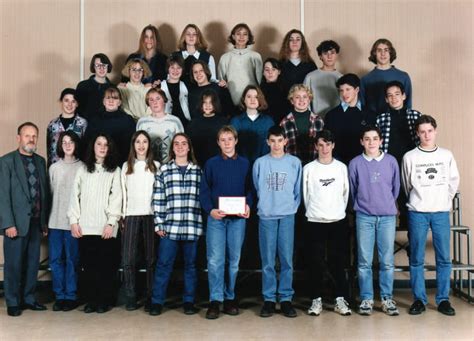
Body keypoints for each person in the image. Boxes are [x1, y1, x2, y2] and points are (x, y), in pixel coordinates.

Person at [402, 115, 460, 316]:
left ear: (435, 131)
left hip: (440, 212)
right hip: (417, 212)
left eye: (429, 131)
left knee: (444, 258)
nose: (426, 135)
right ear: (417, 134)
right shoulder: (410, 157)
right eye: (422, 131)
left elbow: (453, 182)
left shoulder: (446, 155)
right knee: (416, 257)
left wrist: (443, 200)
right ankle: (419, 299)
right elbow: (406, 184)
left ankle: (443, 299)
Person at [200, 126, 252, 319]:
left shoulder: (245, 163)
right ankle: (215, 299)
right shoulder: (211, 164)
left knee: (234, 260)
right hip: (217, 218)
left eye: (230, 139)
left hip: (237, 219)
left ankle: (230, 297)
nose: (227, 143)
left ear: (236, 141)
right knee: (215, 260)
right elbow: (204, 190)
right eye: (223, 140)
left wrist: (248, 205)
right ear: (218, 142)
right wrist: (210, 210)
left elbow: (250, 189)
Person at [68, 133, 122, 314]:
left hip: (105, 227)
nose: (102, 147)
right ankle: (91, 300)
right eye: (99, 144)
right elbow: (74, 196)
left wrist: (111, 222)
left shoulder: (115, 170)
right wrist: (74, 221)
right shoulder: (83, 169)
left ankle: (104, 300)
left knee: (106, 266)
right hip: (85, 226)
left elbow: (117, 198)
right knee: (88, 266)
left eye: (106, 145)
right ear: (93, 146)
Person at [349, 126, 400, 316]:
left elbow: (395, 189)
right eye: (367, 139)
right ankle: (367, 299)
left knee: (387, 260)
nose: (371, 142)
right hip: (364, 216)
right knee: (364, 261)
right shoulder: (355, 163)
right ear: (362, 142)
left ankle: (387, 298)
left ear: (381, 141)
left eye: (375, 138)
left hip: (387, 216)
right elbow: (353, 190)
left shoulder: (391, 161)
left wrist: (385, 204)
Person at [150, 133, 203, 316]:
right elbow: (158, 199)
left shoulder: (198, 171)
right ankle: (157, 301)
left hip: (192, 225)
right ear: (172, 148)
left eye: (184, 144)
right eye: (176, 144)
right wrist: (159, 224)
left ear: (189, 147)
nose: (180, 147)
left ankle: (188, 301)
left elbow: (203, 199)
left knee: (191, 266)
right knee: (163, 264)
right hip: (169, 228)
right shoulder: (164, 170)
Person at [0, 122, 50, 317]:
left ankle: (28, 298)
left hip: (36, 223)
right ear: (18, 138)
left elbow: (44, 193)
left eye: (34, 136)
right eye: (27, 135)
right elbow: (2, 196)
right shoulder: (6, 162)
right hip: (16, 224)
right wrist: (8, 224)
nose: (31, 139)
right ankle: (13, 301)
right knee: (13, 264)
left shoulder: (40, 161)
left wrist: (44, 221)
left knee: (32, 264)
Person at [253, 126, 302, 318]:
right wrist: (266, 204)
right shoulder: (260, 163)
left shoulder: (294, 163)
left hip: (287, 214)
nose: (276, 144)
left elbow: (298, 190)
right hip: (266, 215)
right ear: (267, 142)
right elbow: (257, 187)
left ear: (285, 141)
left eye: (279, 140)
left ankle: (286, 298)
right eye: (272, 141)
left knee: (286, 259)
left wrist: (291, 207)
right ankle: (269, 299)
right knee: (267, 260)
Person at [303, 130, 352, 317]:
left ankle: (340, 298)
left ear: (333, 146)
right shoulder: (308, 169)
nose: (324, 148)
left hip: (337, 220)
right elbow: (306, 196)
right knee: (315, 262)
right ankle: (316, 299)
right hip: (315, 220)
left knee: (338, 261)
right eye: (320, 145)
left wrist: (336, 211)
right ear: (316, 146)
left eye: (328, 144)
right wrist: (315, 212)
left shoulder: (341, 168)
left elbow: (345, 193)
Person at [121, 130, 159, 311]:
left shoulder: (156, 166)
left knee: (151, 258)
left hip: (150, 215)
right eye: (138, 142)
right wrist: (122, 216)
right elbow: (122, 193)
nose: (141, 145)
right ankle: (130, 294)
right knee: (128, 258)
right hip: (131, 215)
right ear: (133, 145)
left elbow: (159, 194)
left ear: (149, 145)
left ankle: (151, 296)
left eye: (145, 142)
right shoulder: (126, 167)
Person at [48, 131, 83, 312]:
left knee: (72, 260)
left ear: (76, 144)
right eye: (64, 142)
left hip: (72, 223)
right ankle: (59, 295)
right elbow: (50, 195)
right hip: (54, 222)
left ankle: (71, 295)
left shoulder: (83, 167)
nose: (68, 145)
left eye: (71, 142)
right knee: (55, 260)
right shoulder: (54, 168)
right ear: (60, 146)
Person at [325, 73, 377, 165]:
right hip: (338, 163)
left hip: (364, 163)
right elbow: (328, 143)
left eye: (348, 89)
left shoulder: (370, 115)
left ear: (357, 90)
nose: (344, 94)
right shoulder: (331, 115)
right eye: (341, 90)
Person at [84, 86, 136, 164]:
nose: (111, 101)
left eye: (115, 98)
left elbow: (132, 146)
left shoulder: (128, 120)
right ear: (104, 102)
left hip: (121, 163)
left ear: (119, 102)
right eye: (108, 98)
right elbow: (88, 144)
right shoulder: (95, 120)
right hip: (98, 163)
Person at [360, 38, 412, 114]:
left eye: (386, 50)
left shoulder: (403, 76)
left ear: (390, 53)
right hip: (373, 122)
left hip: (399, 122)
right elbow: (362, 106)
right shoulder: (365, 79)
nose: (383, 53)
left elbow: (408, 104)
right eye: (379, 50)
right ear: (374, 53)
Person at [376, 80, 421, 165]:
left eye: (397, 94)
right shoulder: (380, 119)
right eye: (390, 95)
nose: (394, 98)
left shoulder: (415, 115)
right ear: (386, 99)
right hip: (388, 162)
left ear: (403, 96)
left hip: (413, 161)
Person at [218, 23, 263, 106]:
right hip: (231, 101)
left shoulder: (255, 56)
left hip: (252, 101)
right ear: (233, 36)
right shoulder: (225, 58)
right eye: (238, 34)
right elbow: (221, 82)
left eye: (245, 34)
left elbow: (260, 81)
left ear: (248, 37)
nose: (241, 37)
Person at [280, 84, 324, 165]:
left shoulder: (318, 120)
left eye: (304, 97)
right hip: (292, 164)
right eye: (297, 97)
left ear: (309, 99)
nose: (301, 100)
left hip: (314, 163)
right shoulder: (285, 122)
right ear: (292, 101)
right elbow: (282, 147)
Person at [136, 88, 184, 163]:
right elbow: (137, 146)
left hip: (170, 165)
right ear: (148, 103)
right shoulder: (142, 122)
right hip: (148, 165)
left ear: (164, 101)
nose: (155, 102)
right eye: (151, 100)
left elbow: (182, 144)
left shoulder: (175, 121)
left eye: (158, 98)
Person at [230, 85, 274, 164]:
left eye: (256, 97)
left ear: (260, 100)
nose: (252, 100)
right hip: (241, 165)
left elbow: (273, 145)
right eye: (249, 97)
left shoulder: (268, 121)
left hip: (264, 164)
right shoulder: (235, 121)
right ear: (244, 100)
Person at [186, 89, 228, 167]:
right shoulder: (193, 123)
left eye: (210, 102)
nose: (207, 105)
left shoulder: (223, 122)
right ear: (201, 104)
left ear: (215, 104)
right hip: (198, 164)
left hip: (219, 163)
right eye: (205, 102)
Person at [46, 88, 88, 167]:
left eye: (73, 101)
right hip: (56, 168)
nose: (69, 104)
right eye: (66, 100)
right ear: (61, 102)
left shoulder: (83, 123)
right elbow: (49, 151)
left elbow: (86, 149)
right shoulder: (52, 124)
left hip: (77, 168)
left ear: (77, 104)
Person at [303, 40, 342, 118]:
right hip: (315, 120)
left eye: (332, 53)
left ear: (337, 55)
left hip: (336, 119)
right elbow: (304, 99)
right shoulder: (310, 77)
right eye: (325, 53)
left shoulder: (341, 78)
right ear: (320, 56)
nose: (329, 56)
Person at [76, 53, 113, 120]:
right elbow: (77, 109)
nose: (101, 68)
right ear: (93, 67)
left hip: (107, 125)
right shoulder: (83, 86)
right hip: (86, 125)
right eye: (98, 65)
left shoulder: (113, 88)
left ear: (108, 67)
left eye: (104, 65)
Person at [160, 55, 191, 128]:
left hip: (185, 124)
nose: (175, 71)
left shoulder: (187, 86)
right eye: (172, 68)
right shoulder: (160, 86)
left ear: (182, 69)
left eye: (178, 68)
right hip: (166, 124)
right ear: (168, 69)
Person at [260, 58, 291, 124]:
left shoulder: (286, 90)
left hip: (283, 124)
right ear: (263, 73)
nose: (270, 72)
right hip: (264, 124)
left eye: (273, 69)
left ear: (279, 72)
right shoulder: (258, 91)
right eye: (267, 70)